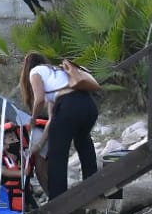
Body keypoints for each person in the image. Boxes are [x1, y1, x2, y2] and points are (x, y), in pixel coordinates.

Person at [20, 52, 104, 200]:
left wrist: (33, 119)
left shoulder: (35, 71)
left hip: (69, 106)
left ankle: (58, 200)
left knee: (57, 154)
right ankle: (94, 189)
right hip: (88, 105)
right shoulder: (57, 72)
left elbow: (38, 100)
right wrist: (39, 145)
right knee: (83, 142)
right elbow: (52, 119)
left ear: (28, 66)